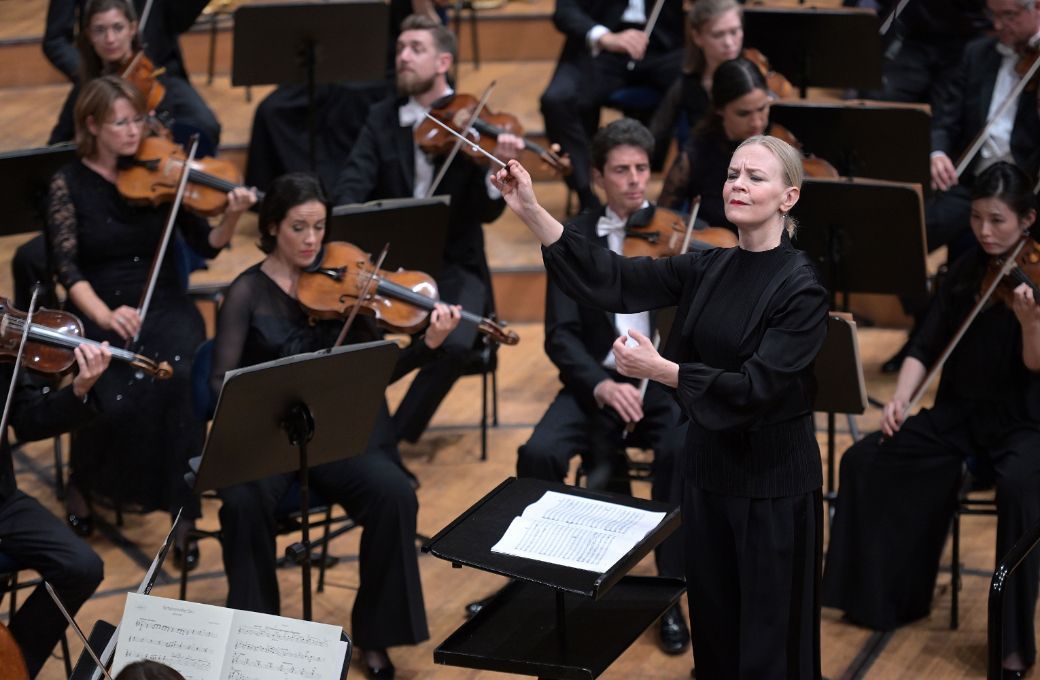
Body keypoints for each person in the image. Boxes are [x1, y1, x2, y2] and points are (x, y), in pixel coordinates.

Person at [491, 135, 829, 678]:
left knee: (770, 646)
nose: (738, 185)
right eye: (733, 174)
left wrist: (664, 371)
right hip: (708, 475)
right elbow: (616, 279)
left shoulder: (801, 288)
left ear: (788, 198)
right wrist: (531, 209)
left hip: (771, 487)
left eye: (755, 177)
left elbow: (756, 389)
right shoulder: (709, 266)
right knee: (715, 635)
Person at [210, 172, 460, 680]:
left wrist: (425, 347)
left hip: (337, 437)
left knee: (395, 494)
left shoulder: (346, 284)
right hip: (270, 439)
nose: (311, 240)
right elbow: (220, 381)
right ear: (272, 227)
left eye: (319, 227)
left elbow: (376, 371)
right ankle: (256, 640)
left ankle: (374, 634)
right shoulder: (246, 292)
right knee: (241, 504)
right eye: (298, 228)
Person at [822, 161, 1040, 679]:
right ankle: (882, 600)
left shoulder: (1033, 279)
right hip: (959, 417)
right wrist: (899, 399)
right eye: (976, 218)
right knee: (865, 458)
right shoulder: (965, 269)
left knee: (1018, 488)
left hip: (1025, 425)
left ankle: (1011, 646)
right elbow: (925, 343)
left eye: (998, 221)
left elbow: (1036, 365)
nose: (985, 232)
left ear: (1028, 220)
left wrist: (1031, 324)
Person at [44, 76, 254, 562]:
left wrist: (232, 214)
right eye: (121, 122)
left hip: (162, 301)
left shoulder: (164, 173)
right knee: (110, 389)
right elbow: (66, 270)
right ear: (92, 125)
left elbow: (207, 244)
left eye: (138, 119)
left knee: (180, 378)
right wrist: (105, 314)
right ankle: (85, 482)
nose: (134, 130)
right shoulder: (67, 183)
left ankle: (183, 517)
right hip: (100, 304)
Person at [516, 119, 688, 654]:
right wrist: (600, 386)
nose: (635, 180)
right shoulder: (570, 237)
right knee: (539, 452)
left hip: (662, 379)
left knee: (680, 452)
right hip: (596, 381)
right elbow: (560, 335)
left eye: (642, 168)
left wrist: (659, 369)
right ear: (597, 177)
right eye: (622, 170)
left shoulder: (678, 234)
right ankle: (538, 590)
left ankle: (671, 593)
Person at [332, 14, 524, 447]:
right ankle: (359, 433)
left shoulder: (473, 125)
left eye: (415, 49)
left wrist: (494, 169)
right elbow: (350, 187)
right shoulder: (382, 118)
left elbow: (485, 214)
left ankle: (394, 438)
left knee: (457, 342)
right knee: (353, 339)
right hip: (390, 264)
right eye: (400, 48)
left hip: (456, 263)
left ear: (443, 62)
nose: (403, 56)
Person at [0, 341, 110, 679]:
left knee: (82, 566)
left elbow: (29, 419)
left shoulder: (3, 347)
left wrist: (79, 388)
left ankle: (12, 664)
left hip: (3, 501)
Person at [541, 0, 684, 211]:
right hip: (601, 48)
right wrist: (604, 37)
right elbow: (565, 10)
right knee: (557, 100)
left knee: (703, 86)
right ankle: (585, 194)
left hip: (664, 47)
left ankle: (686, 194)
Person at [928, 0, 1040, 258]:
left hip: (1026, 188)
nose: (998, 25)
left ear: (1037, 7)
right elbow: (945, 119)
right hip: (971, 184)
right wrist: (938, 153)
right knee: (908, 236)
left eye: (1009, 15)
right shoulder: (977, 53)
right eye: (993, 14)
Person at [45, 0, 219, 150]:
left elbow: (180, 20)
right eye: (100, 30)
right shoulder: (90, 82)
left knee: (205, 125)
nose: (110, 38)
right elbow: (55, 40)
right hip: (98, 73)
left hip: (159, 67)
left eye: (118, 28)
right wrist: (92, 76)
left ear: (132, 28)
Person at [657, 56, 773, 229]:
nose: (757, 123)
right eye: (743, 113)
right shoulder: (695, 156)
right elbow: (662, 219)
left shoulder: (778, 144)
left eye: (762, 108)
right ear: (720, 109)